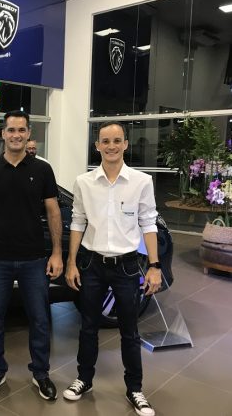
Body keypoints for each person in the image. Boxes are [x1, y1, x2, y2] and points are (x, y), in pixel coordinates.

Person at [63, 121, 161, 416]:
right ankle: (84, 379)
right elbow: (77, 222)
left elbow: (149, 223)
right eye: (105, 141)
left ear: (125, 144)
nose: (111, 146)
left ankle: (135, 389)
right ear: (97, 146)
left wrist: (154, 266)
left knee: (129, 331)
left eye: (117, 140)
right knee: (88, 327)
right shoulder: (84, 182)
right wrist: (71, 262)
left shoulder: (141, 182)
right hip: (91, 264)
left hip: (127, 266)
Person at [0, 110, 63, 401]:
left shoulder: (43, 170)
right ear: (3, 134)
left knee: (40, 319)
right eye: (11, 130)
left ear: (28, 133)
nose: (16, 135)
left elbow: (53, 211)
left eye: (22, 130)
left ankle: (41, 373)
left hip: (34, 258)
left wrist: (57, 252)